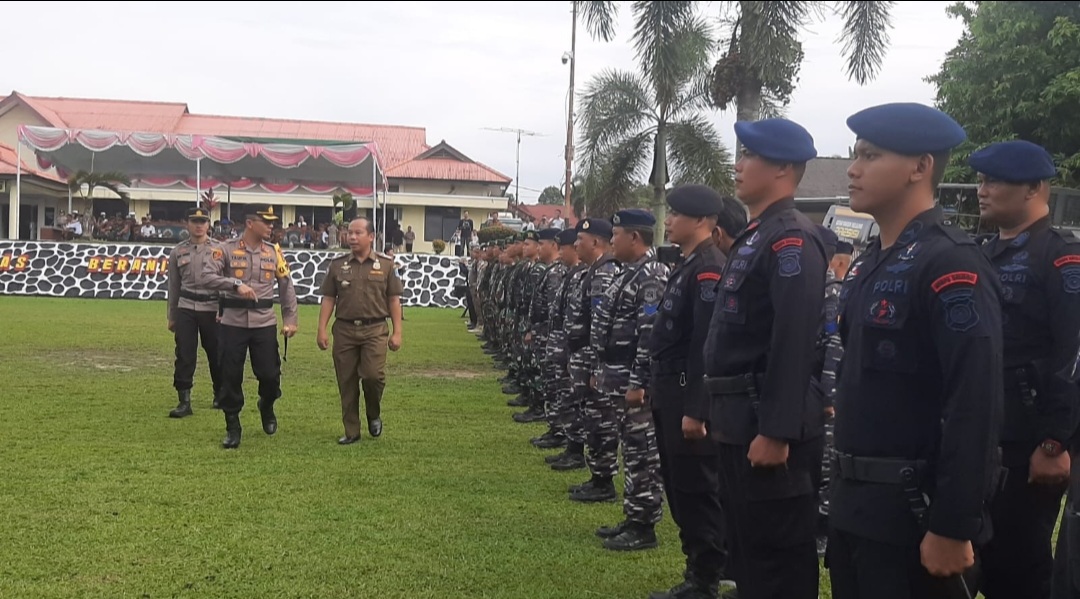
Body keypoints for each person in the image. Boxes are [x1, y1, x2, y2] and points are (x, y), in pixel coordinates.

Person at [827, 103, 1004, 599]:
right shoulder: (871, 263)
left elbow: (976, 402)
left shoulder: (950, 262)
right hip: (857, 507)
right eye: (855, 154)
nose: (853, 168)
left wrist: (953, 524)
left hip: (913, 512)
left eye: (870, 155)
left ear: (920, 167)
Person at [703, 118, 827, 599]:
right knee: (751, 554)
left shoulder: (791, 237)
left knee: (779, 560)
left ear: (781, 169)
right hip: (739, 418)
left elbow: (793, 339)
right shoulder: (759, 235)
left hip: (766, 424)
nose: (737, 166)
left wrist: (776, 431)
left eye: (749, 156)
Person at [969, 140, 1080, 599]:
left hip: (1027, 441)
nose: (982, 190)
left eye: (995, 180)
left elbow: (1073, 351)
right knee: (973, 558)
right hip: (978, 433)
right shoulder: (978, 253)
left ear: (1035, 187)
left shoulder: (1059, 258)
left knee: (1018, 564)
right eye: (980, 179)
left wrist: (1053, 440)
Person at [649, 186, 747, 598]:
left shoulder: (708, 268)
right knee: (679, 484)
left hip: (687, 395)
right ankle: (699, 567)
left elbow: (705, 346)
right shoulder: (690, 264)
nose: (669, 221)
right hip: (670, 390)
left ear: (703, 221)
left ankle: (705, 577)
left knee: (695, 488)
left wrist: (696, 409)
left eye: (677, 214)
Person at [592, 208, 669, 551]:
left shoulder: (651, 275)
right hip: (618, 376)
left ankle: (643, 525)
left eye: (616, 235)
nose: (611, 242)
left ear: (634, 237)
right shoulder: (630, 273)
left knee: (642, 453)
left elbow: (648, 336)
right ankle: (633, 515)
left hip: (633, 380)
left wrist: (637, 382)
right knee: (631, 449)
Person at [201, 205, 299, 449]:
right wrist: (235, 284)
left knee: (269, 374)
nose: (270, 227)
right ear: (250, 223)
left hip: (264, 322)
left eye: (272, 222)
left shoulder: (274, 252)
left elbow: (286, 286)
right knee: (230, 375)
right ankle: (233, 426)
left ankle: (266, 404)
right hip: (232, 322)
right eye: (265, 222)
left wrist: (290, 320)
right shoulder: (225, 250)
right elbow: (207, 277)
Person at [317, 218, 404, 444]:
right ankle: (352, 430)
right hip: (344, 329)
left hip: (375, 329)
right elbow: (328, 298)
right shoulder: (337, 265)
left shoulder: (385, 265)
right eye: (349, 233)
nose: (352, 237)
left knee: (373, 376)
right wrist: (321, 329)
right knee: (346, 381)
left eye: (358, 233)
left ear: (371, 237)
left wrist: (397, 332)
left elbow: (394, 299)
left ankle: (373, 413)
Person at [165, 206, 224, 418]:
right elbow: (173, 286)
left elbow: (226, 284)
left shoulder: (220, 250)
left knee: (217, 353)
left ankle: (220, 394)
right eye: (194, 221)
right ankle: (184, 401)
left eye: (203, 221)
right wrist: (172, 316)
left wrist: (224, 311)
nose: (199, 226)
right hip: (186, 307)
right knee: (184, 354)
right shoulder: (178, 251)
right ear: (187, 223)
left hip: (212, 308)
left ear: (209, 224)